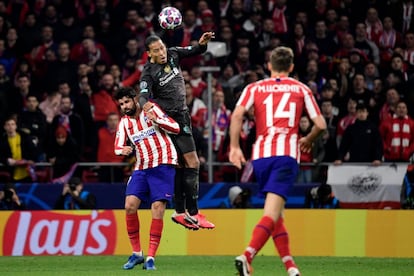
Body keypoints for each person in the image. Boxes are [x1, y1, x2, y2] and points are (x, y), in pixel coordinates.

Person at [229, 46, 327, 276]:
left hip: (260, 157)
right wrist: (309, 138)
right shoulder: (302, 88)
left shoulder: (254, 87)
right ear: (292, 67)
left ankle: (290, 267)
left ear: (269, 66)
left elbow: (236, 115)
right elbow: (321, 124)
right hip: (285, 156)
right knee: (271, 214)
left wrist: (234, 147)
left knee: (277, 214)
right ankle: (247, 256)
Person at [138, 32, 215, 230]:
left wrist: (202, 43)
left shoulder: (173, 54)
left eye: (162, 48)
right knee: (193, 162)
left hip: (182, 116)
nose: (162, 53)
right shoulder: (148, 72)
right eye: (156, 51)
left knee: (182, 166)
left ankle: (180, 212)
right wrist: (146, 107)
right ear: (149, 53)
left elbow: (196, 50)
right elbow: (143, 96)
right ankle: (195, 213)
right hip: (168, 121)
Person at [114, 87, 180, 270]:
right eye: (120, 104)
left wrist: (157, 120)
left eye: (126, 102)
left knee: (157, 208)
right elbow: (117, 147)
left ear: (135, 99)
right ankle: (137, 254)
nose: (124, 106)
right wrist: (123, 150)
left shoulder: (151, 109)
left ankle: (151, 257)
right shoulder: (124, 123)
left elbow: (175, 127)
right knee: (129, 206)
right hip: (141, 168)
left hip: (163, 164)